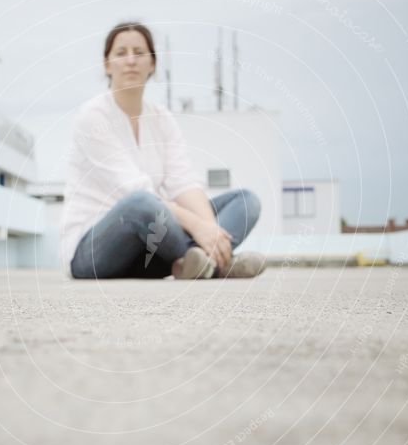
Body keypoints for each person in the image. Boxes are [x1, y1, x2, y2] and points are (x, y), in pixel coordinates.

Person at [60, 21, 267, 280]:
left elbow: (183, 183)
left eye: (139, 52)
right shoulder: (93, 118)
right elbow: (136, 192)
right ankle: (220, 265)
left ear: (153, 64)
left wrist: (211, 230)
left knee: (246, 201)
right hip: (92, 252)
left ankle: (198, 261)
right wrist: (198, 228)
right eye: (121, 53)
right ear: (106, 64)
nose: (131, 60)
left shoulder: (162, 118)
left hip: (148, 249)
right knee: (141, 203)